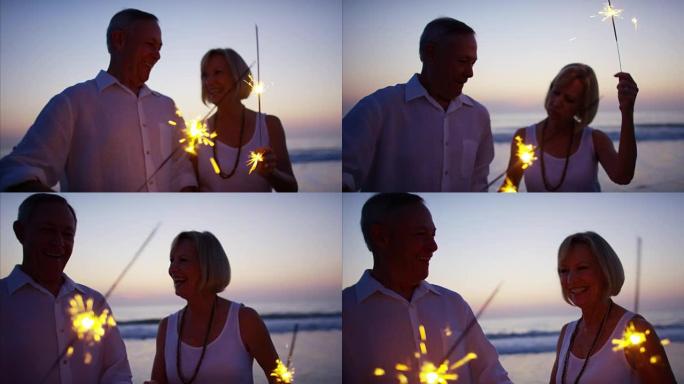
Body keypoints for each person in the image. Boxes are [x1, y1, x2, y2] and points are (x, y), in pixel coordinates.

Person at [0, 9, 196, 192]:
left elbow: (182, 170)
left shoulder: (168, 106)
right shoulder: (72, 102)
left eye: (159, 48)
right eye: (150, 45)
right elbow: (16, 170)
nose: (157, 55)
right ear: (118, 40)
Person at [343, 193, 511, 383]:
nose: (433, 246)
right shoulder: (345, 312)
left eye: (433, 235)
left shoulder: (453, 304)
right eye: (420, 234)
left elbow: (491, 375)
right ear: (381, 237)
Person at [343, 17, 493, 192]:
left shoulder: (479, 116)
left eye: (472, 63)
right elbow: (346, 177)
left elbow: (478, 185)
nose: (470, 73)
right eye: (462, 61)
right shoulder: (377, 108)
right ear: (429, 53)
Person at [0, 193, 132, 383]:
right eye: (47, 230)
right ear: (20, 232)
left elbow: (116, 371)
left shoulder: (95, 302)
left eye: (67, 234)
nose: (59, 242)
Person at [148, 231, 281, 383]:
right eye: (172, 260)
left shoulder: (245, 320)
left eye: (183, 260)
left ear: (208, 266)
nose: (172, 269)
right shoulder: (166, 328)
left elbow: (280, 380)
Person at [550, 232, 675, 383]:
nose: (571, 279)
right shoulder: (566, 334)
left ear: (605, 271)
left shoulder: (635, 331)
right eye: (564, 271)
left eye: (582, 268)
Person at [500, 63, 638, 192]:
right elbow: (509, 187)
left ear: (583, 107)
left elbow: (623, 176)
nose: (557, 102)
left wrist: (627, 111)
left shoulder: (595, 140)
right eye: (556, 92)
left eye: (569, 99)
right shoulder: (524, 137)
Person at [196, 48, 297, 192]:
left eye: (218, 72)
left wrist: (271, 173)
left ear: (237, 76)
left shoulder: (269, 125)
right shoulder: (196, 133)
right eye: (205, 75)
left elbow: (291, 188)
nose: (209, 81)